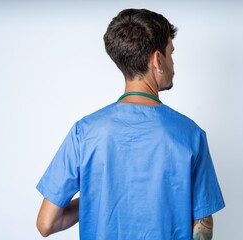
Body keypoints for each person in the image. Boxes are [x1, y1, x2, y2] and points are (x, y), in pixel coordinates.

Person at [36, 8, 225, 240]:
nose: (173, 64)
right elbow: (203, 230)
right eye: (170, 53)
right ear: (157, 59)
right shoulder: (190, 135)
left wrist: (98, 193)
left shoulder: (84, 132)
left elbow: (47, 223)